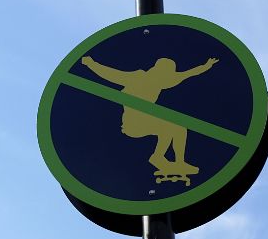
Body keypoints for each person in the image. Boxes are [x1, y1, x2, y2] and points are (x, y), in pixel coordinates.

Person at [80, 54, 218, 185]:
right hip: (132, 124)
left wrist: (206, 66)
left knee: (178, 127)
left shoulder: (161, 82)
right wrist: (91, 64)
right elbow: (111, 74)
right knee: (171, 126)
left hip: (148, 121)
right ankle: (159, 158)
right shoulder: (137, 77)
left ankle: (177, 162)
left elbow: (187, 74)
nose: (167, 77)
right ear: (158, 69)